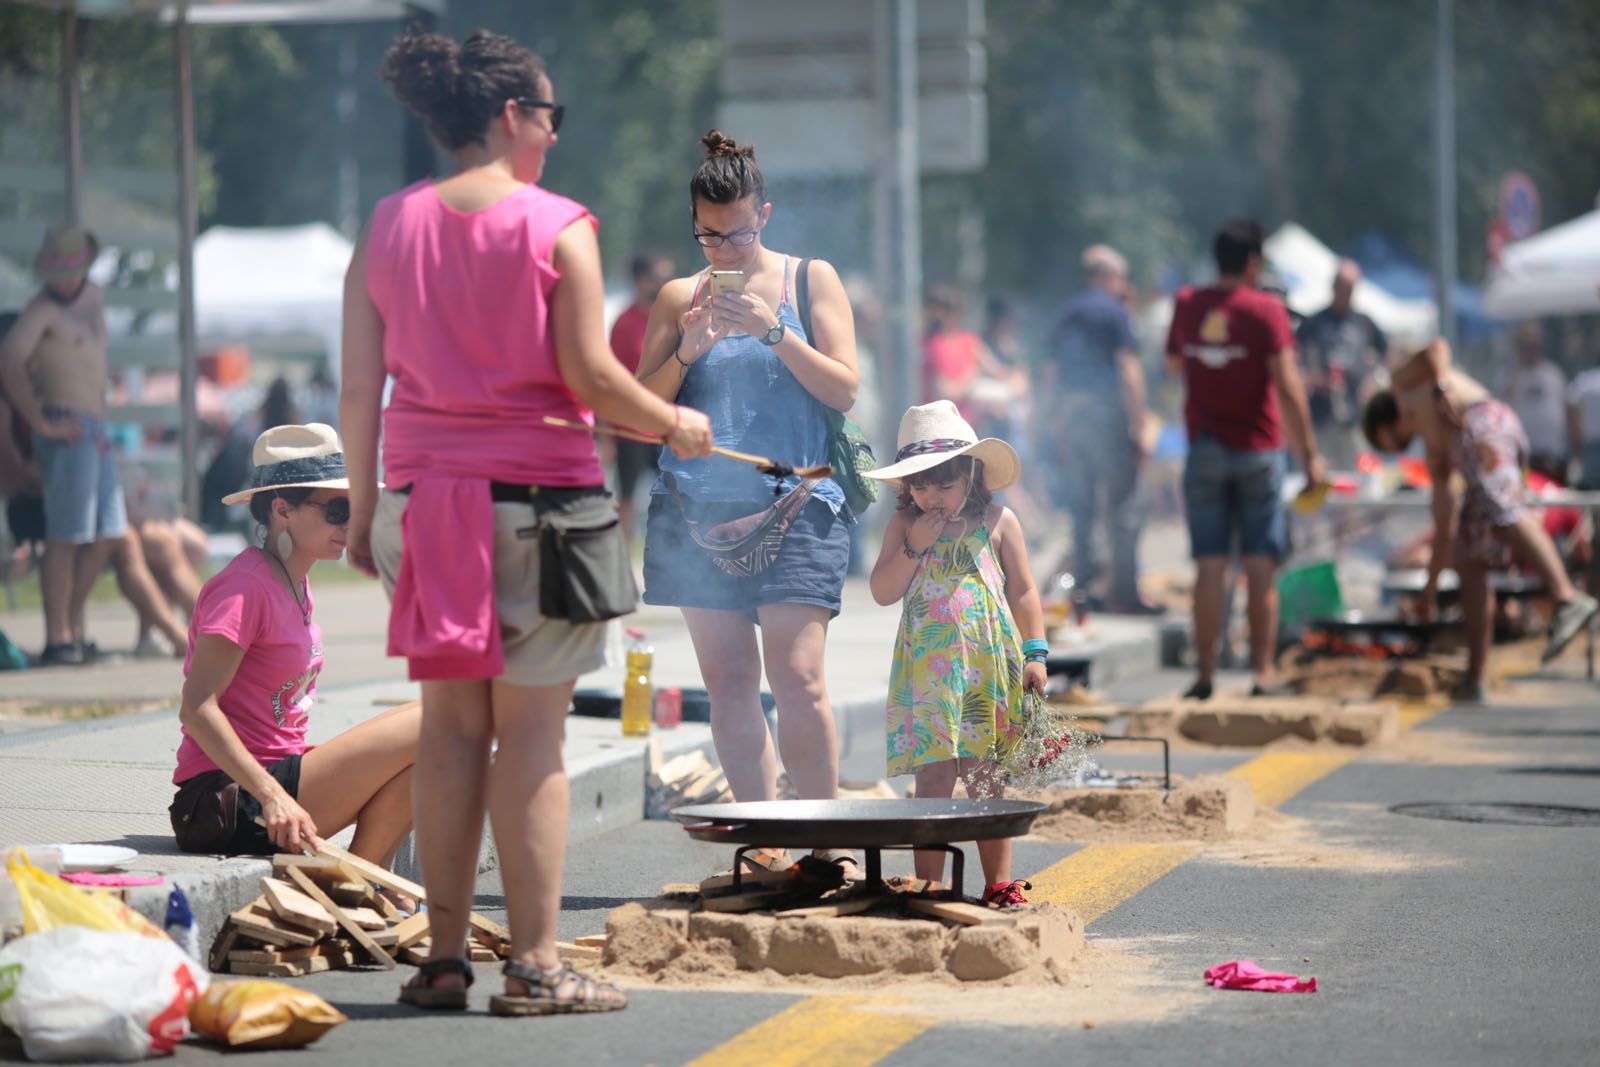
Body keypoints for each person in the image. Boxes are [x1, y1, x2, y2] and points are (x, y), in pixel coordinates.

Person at [343, 28, 711, 1016]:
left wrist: (365, 511)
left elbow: (359, 387)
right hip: (541, 511)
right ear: (512, 116)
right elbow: (589, 376)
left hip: (424, 507)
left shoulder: (386, 225)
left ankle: (444, 958)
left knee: (450, 732)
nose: (553, 134)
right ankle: (538, 965)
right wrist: (673, 421)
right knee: (534, 740)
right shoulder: (558, 225)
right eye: (549, 116)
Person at [634, 130, 859, 871]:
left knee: (798, 677)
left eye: (737, 233)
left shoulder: (809, 279)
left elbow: (844, 389)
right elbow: (642, 411)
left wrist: (774, 332)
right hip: (696, 512)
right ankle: (764, 842)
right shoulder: (680, 296)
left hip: (798, 500)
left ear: (765, 213)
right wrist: (687, 351)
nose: (724, 248)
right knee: (729, 684)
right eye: (709, 235)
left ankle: (823, 843)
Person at [171, 423, 422, 884]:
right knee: (434, 720)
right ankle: (351, 882)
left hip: (274, 782)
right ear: (282, 510)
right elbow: (197, 707)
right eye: (337, 510)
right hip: (225, 801)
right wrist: (272, 796)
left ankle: (363, 879)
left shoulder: (294, 582)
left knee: (434, 740)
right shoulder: (244, 588)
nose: (349, 524)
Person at [866, 400, 1045, 907]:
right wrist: (914, 546)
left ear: (971, 474)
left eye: (944, 484)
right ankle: (930, 885)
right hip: (929, 673)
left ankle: (999, 883)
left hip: (987, 665)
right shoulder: (904, 526)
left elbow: (1024, 590)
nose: (931, 496)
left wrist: (1036, 652)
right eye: (920, 486)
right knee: (934, 774)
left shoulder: (998, 521)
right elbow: (882, 591)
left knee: (986, 772)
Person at [1361, 340, 1599, 702]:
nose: (1394, 449)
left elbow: (1436, 349)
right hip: (1468, 445)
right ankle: (1475, 678)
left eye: (1387, 443)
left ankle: (1566, 597)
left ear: (1383, 426)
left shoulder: (1402, 383)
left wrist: (1440, 385)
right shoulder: (1435, 449)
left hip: (1485, 423)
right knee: (1468, 557)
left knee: (1502, 508)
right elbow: (1444, 526)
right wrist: (1430, 589)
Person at [1166, 220, 1324, 700]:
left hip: (1205, 450)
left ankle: (1205, 674)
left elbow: (1174, 364)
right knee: (1259, 567)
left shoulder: (1188, 304)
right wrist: (1310, 458)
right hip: (1258, 451)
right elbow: (1289, 387)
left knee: (1209, 568)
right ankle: (1261, 674)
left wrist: (1213, 366)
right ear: (1253, 263)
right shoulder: (1266, 310)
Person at [0, 224, 126, 665]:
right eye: (57, 272)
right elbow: (9, 361)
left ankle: (70, 625)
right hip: (64, 423)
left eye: (70, 270)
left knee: (109, 533)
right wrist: (39, 421)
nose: (64, 281)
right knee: (66, 536)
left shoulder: (94, 296)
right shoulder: (42, 310)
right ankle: (59, 638)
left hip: (95, 428)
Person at [1045, 245, 1161, 615]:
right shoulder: (1115, 312)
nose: (1125, 285)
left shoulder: (1067, 313)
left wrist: (1053, 422)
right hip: (1108, 416)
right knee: (1124, 506)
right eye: (1122, 278)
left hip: (1073, 417)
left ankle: (1085, 589)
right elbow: (1128, 370)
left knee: (1082, 505)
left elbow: (1051, 375)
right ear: (1107, 276)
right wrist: (1140, 425)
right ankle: (1123, 593)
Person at [1295, 259, 1387, 471]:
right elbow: (1294, 363)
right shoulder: (1314, 323)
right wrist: (1314, 380)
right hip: (1321, 416)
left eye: (1350, 289)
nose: (1346, 294)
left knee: (1359, 472)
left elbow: (1385, 353)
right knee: (1322, 474)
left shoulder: (1364, 322)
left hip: (1354, 416)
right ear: (1334, 287)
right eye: (1342, 287)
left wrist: (1373, 380)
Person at [609, 251, 673, 540]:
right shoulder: (624, 323)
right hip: (630, 428)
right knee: (627, 495)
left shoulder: (672, 318)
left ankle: (668, 549)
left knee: (672, 493)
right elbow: (610, 380)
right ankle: (624, 553)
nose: (663, 283)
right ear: (640, 280)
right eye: (657, 277)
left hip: (665, 424)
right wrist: (606, 436)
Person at [1498, 321, 1568, 481]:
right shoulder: (1508, 375)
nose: (1531, 351)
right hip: (1523, 456)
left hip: (1552, 453)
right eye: (1526, 347)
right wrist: (1518, 370)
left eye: (1535, 346)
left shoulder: (1553, 373)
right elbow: (1503, 403)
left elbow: (1565, 408)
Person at [1565, 359, 1600, 488]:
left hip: (1589, 443)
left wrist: (1575, 435)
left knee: (1590, 489)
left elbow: (1569, 403)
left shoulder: (1585, 381)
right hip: (1590, 444)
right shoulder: (1585, 381)